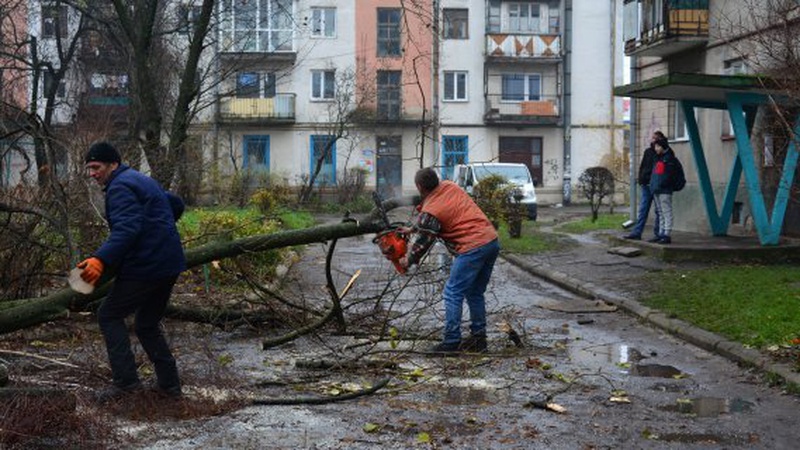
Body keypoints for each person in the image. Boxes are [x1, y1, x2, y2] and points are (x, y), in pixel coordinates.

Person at [77, 141, 186, 401]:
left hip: (146, 267)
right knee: (147, 323)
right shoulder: (139, 179)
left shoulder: (119, 187)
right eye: (89, 168)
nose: (92, 173)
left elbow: (127, 230)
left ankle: (126, 384)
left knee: (108, 315)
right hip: (169, 264)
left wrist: (99, 259)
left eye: (96, 167)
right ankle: (170, 387)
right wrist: (159, 229)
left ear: (112, 164)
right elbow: (176, 204)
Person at [399, 167, 500, 353]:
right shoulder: (450, 186)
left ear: (419, 186)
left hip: (472, 247)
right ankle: (479, 339)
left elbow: (423, 242)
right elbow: (429, 221)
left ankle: (451, 342)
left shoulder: (431, 210)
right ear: (437, 179)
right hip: (491, 241)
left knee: (452, 292)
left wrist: (408, 260)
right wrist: (412, 229)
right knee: (475, 292)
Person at [624, 131, 663, 241]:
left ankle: (658, 234)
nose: (653, 140)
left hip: (656, 186)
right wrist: (641, 179)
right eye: (653, 138)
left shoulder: (662, 152)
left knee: (658, 211)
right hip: (646, 185)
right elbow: (643, 167)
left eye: (655, 138)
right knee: (643, 209)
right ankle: (637, 232)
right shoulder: (648, 151)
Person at [649, 137, 681, 244]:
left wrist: (663, 184)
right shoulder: (658, 158)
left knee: (666, 212)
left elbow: (668, 176)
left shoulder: (669, 159)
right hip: (656, 189)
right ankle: (660, 233)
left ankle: (666, 234)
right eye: (655, 146)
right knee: (660, 213)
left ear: (663, 146)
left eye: (657, 146)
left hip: (664, 190)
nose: (655, 148)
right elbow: (656, 174)